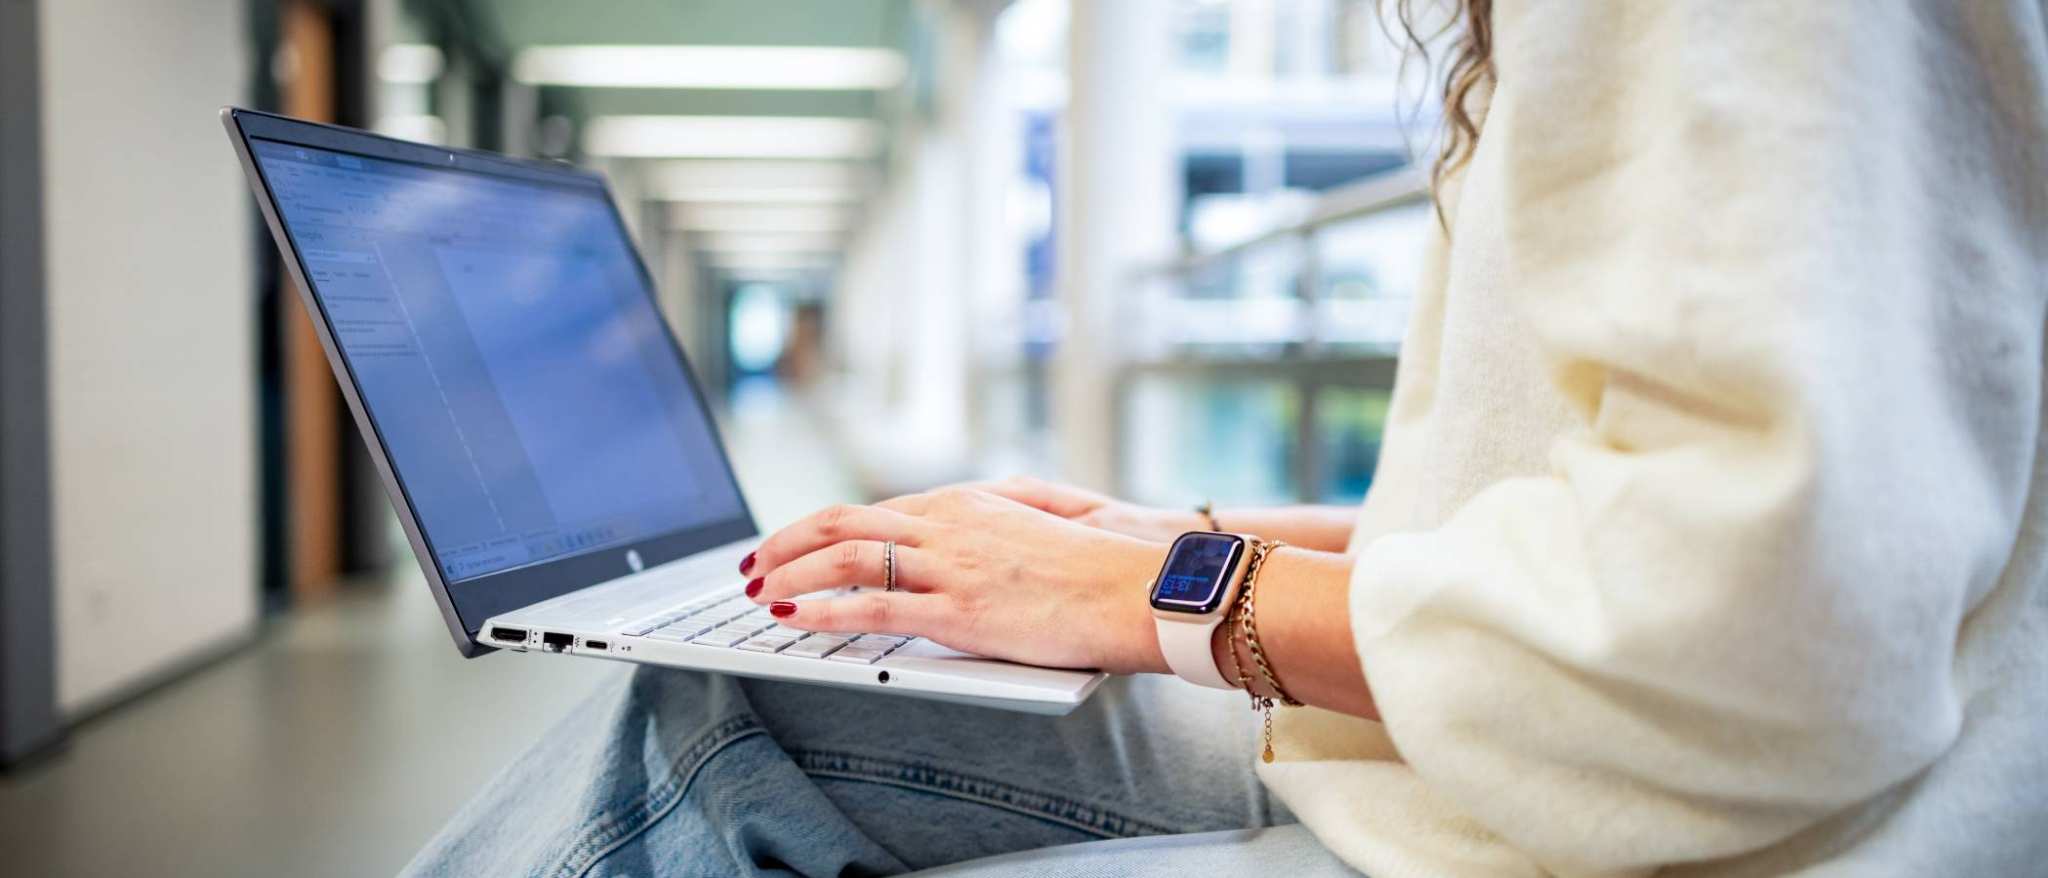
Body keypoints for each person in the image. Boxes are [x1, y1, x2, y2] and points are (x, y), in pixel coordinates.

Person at [406, 2, 2048, 875]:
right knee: (731, 689)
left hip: (1674, 840)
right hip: (1535, 786)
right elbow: (1591, 493)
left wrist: (1166, 597)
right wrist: (1140, 543)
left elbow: (1770, 631)